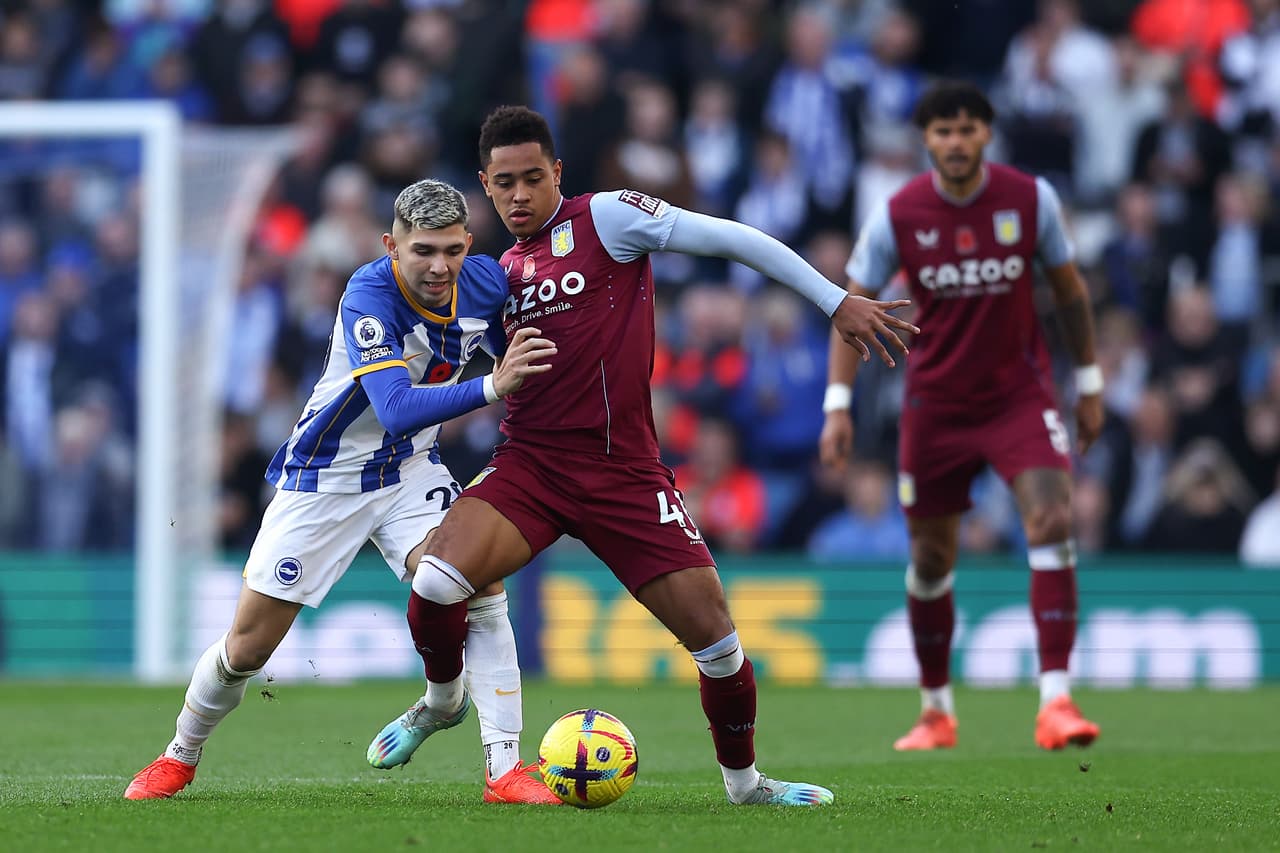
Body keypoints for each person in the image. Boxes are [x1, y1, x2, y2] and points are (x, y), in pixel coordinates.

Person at [368, 105, 916, 807]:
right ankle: (443, 703)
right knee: (439, 580)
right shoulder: (493, 274)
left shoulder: (608, 219)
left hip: (624, 473)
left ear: (556, 172)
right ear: (485, 184)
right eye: (504, 182)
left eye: (533, 177)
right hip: (531, 466)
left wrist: (834, 298)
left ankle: (745, 785)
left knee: (717, 643)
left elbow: (733, 239)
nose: (519, 195)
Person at [124, 179, 561, 805]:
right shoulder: (368, 295)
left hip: (411, 469)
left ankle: (503, 769)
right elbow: (396, 406)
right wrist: (495, 385)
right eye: (423, 251)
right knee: (247, 647)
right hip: (326, 477)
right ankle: (179, 756)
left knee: (479, 581)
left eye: (451, 250)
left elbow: (515, 350)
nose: (439, 267)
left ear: (469, 243)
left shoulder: (488, 284)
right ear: (392, 246)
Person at [819, 81, 1104, 752]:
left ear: (986, 134)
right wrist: (837, 404)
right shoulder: (898, 214)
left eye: (967, 129)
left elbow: (1070, 292)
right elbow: (850, 309)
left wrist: (1089, 383)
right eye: (942, 131)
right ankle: (935, 711)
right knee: (929, 556)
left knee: (1054, 517)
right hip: (936, 406)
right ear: (926, 140)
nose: (954, 141)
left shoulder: (1032, 200)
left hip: (1018, 396)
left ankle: (1057, 700)